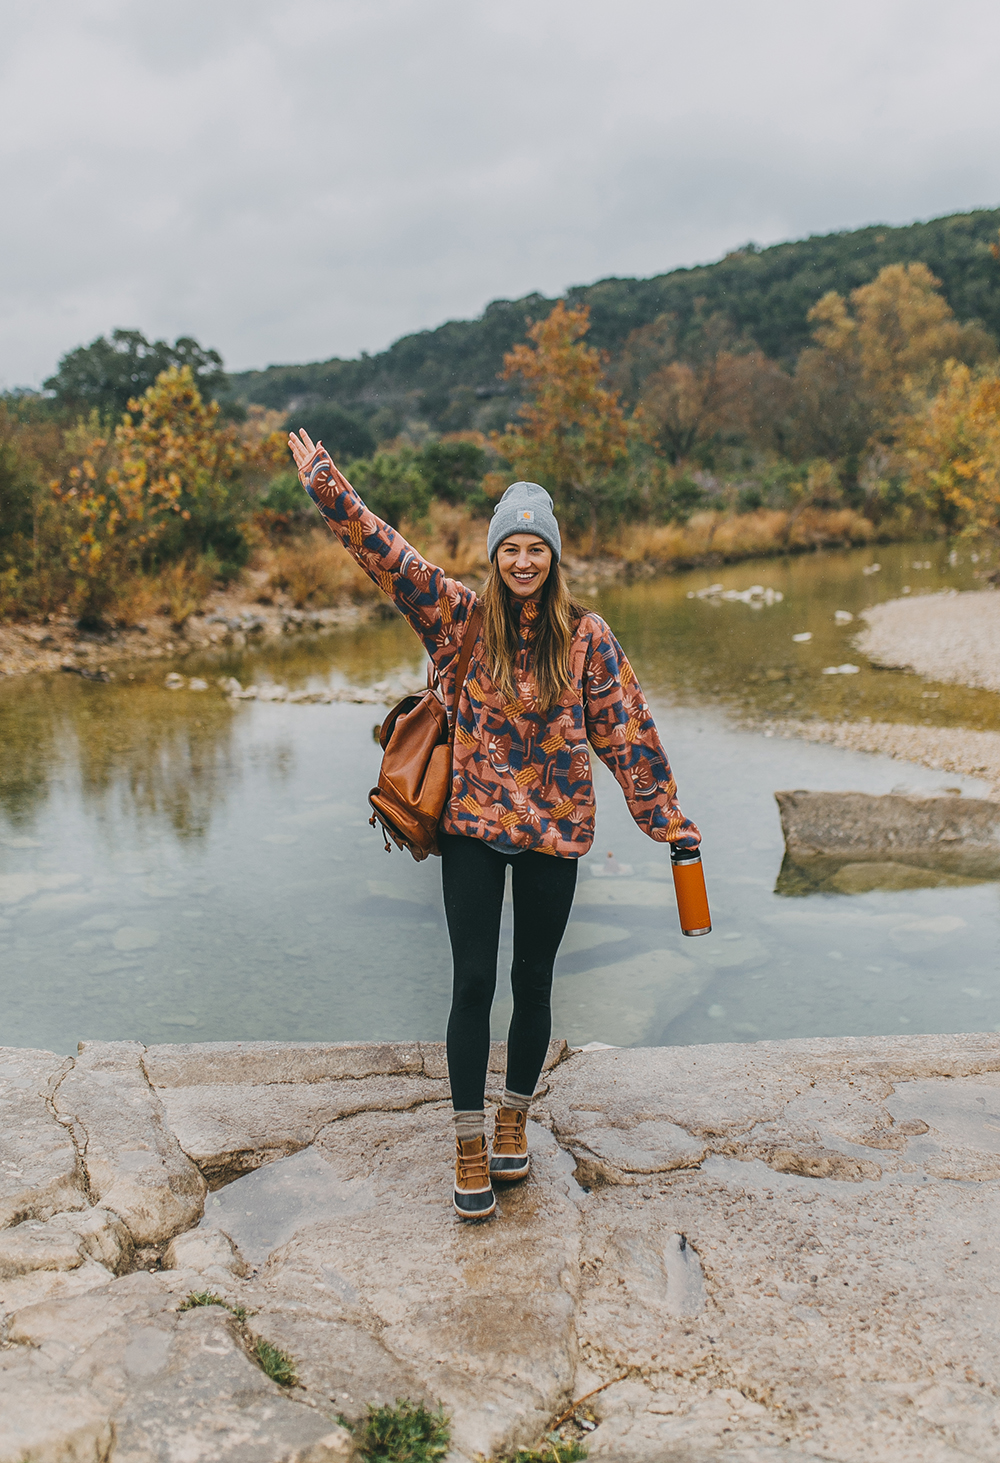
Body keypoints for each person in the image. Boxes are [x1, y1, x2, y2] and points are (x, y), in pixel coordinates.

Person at [288, 429, 701, 1220]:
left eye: (534, 547)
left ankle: (516, 1112)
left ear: (552, 556)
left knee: (534, 982)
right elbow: (387, 555)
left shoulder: (587, 638)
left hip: (553, 835)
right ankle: (470, 1137)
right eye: (509, 547)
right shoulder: (457, 617)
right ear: (494, 554)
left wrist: (668, 820)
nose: (522, 561)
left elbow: (628, 733)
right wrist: (326, 485)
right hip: (472, 829)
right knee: (474, 981)